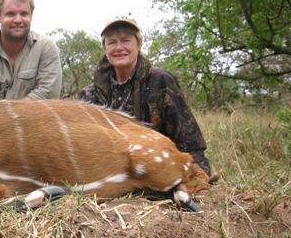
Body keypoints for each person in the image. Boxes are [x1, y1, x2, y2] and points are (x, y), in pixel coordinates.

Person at [76, 17, 211, 175]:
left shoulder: (161, 81)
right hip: (111, 176)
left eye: (126, 40)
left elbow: (190, 144)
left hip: (158, 171)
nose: (119, 48)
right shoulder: (89, 95)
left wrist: (198, 174)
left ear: (139, 44)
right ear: (105, 48)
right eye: (111, 42)